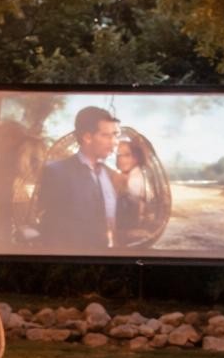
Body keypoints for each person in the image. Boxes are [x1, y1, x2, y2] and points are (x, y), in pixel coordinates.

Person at [37, 106, 121, 253]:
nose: (114, 142)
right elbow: (51, 230)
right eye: (107, 136)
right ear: (87, 137)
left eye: (115, 135)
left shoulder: (110, 174)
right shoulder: (57, 172)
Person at [114, 137, 148, 243]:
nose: (121, 159)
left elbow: (132, 207)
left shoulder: (135, 180)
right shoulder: (128, 175)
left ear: (136, 158)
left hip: (127, 226)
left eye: (127, 155)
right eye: (119, 155)